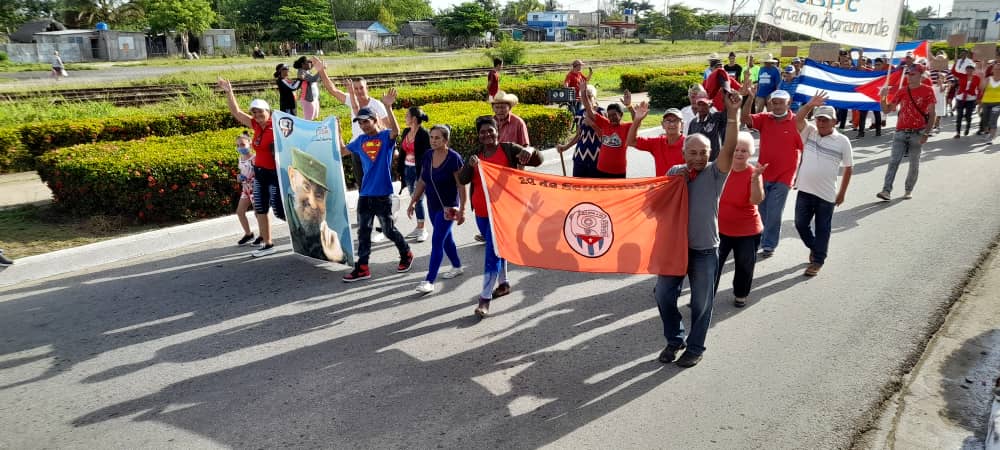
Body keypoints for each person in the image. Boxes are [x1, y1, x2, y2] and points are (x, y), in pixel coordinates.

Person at [655, 89, 741, 368]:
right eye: (692, 153)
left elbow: (728, 147)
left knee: (702, 303)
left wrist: (733, 114)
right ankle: (674, 338)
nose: (697, 158)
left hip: (705, 250)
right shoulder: (673, 174)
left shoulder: (716, 173)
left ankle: (695, 346)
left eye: (703, 153)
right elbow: (657, 206)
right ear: (683, 152)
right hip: (674, 250)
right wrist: (674, 180)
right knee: (664, 296)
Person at [459, 116, 543, 317]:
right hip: (481, 213)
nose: (487, 135)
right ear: (478, 135)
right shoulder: (476, 155)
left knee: (492, 254)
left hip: (503, 213)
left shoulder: (508, 149)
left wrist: (528, 150)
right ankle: (503, 284)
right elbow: (462, 179)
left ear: (498, 131)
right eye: (482, 132)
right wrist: (470, 166)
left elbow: (538, 159)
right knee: (499, 250)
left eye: (490, 130)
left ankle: (484, 298)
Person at [337, 90, 414, 282]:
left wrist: (388, 106)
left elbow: (396, 131)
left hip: (382, 194)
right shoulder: (360, 141)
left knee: (388, 230)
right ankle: (362, 267)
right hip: (365, 194)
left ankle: (406, 253)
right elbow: (342, 151)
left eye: (365, 121)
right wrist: (337, 132)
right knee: (363, 231)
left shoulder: (386, 138)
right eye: (360, 122)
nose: (363, 125)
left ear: (374, 120)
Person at [219, 79, 285, 257]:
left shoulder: (277, 126)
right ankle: (268, 243)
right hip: (259, 175)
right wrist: (229, 92)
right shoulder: (256, 126)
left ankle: (308, 228)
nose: (257, 115)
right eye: (254, 112)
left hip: (275, 175)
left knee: (280, 211)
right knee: (260, 209)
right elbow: (237, 112)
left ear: (268, 112)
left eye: (260, 111)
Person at [793, 94, 853, 277]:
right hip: (804, 190)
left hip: (826, 195)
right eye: (819, 119)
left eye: (825, 120)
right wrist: (810, 104)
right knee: (800, 224)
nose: (821, 123)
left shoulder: (843, 141)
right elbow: (798, 119)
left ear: (834, 121)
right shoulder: (809, 132)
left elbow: (849, 168)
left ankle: (817, 261)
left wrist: (842, 193)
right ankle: (816, 248)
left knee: (823, 228)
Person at [740, 88, 803, 259]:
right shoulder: (764, 119)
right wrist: (750, 98)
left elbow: (805, 150)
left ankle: (769, 244)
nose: (776, 106)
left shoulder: (796, 122)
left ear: (788, 104)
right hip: (763, 174)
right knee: (762, 211)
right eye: (774, 102)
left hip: (784, 176)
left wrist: (800, 174)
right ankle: (760, 237)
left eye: (780, 102)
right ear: (770, 103)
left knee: (775, 212)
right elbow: (744, 118)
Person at [407, 125, 466, 295]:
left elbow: (461, 185)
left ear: (446, 140)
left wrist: (462, 210)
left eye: (437, 138)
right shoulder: (427, 155)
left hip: (449, 207)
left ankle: (429, 280)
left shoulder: (454, 158)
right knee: (446, 239)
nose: (433, 141)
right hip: (432, 205)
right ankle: (457, 266)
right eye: (432, 137)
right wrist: (413, 201)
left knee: (437, 240)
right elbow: (423, 181)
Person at [715, 130, 765, 307]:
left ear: (750, 153)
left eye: (744, 150)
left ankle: (741, 294)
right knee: (712, 265)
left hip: (747, 230)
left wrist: (755, 179)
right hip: (720, 228)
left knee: (744, 264)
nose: (739, 153)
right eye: (736, 149)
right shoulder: (720, 170)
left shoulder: (754, 173)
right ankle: (705, 295)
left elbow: (756, 200)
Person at [877, 64, 936, 201]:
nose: (909, 76)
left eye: (913, 74)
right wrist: (882, 97)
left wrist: (926, 133)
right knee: (893, 162)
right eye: (908, 73)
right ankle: (886, 191)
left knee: (914, 163)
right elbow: (886, 110)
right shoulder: (902, 91)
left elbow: (932, 114)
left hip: (918, 132)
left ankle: (908, 190)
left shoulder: (928, 91)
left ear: (921, 76)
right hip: (901, 131)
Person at [284, 149, 345, 262]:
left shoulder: (320, 229)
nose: (313, 204)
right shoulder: (287, 212)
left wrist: (339, 257)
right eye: (306, 187)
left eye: (319, 194)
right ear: (292, 178)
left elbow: (337, 255)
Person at [580, 78, 632, 178]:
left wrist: (629, 106)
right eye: (609, 115)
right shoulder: (605, 123)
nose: (611, 117)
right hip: (602, 169)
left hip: (619, 172)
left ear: (621, 115)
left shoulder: (626, 127)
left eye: (614, 115)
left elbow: (636, 121)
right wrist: (583, 93)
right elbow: (589, 110)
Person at [397, 107, 431, 242]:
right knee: (413, 198)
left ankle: (423, 229)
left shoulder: (424, 134)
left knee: (418, 200)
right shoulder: (406, 131)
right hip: (407, 170)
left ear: (414, 119)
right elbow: (403, 151)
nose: (405, 118)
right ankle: (418, 226)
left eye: (407, 116)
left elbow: (428, 155)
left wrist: (424, 173)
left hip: (419, 172)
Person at [556, 84, 603, 178]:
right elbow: (578, 135)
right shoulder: (579, 114)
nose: (586, 99)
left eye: (589, 96)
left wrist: (592, 124)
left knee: (595, 186)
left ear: (595, 98)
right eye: (584, 96)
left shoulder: (602, 112)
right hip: (580, 155)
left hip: (598, 155)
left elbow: (604, 134)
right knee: (578, 185)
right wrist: (566, 147)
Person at [627, 104, 686, 176]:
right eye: (668, 121)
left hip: (682, 186)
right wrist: (637, 120)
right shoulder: (657, 142)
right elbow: (631, 141)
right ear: (663, 124)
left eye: (676, 121)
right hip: (662, 186)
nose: (672, 124)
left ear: (682, 125)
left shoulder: (689, 144)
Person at [688, 94, 728, 162]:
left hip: (714, 161)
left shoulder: (717, 118)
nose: (701, 108)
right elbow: (689, 142)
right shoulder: (693, 122)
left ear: (710, 105)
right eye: (699, 104)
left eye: (704, 104)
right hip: (697, 161)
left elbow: (728, 111)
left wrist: (725, 95)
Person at [234, 132, 257, 246]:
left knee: (259, 214)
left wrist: (249, 178)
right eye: (238, 145)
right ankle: (248, 234)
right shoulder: (240, 158)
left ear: (250, 144)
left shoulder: (255, 158)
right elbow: (243, 172)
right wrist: (240, 177)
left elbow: (260, 174)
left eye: (242, 144)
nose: (240, 148)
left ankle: (263, 236)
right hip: (246, 189)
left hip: (255, 189)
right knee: (240, 212)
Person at [951, 62, 981, 138]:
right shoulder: (962, 76)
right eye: (967, 70)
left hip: (971, 99)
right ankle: (958, 133)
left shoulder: (976, 78)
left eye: (970, 70)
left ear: (973, 70)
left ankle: (967, 127)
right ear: (965, 70)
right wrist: (955, 63)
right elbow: (953, 72)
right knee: (959, 115)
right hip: (961, 98)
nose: (969, 72)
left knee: (968, 115)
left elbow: (979, 89)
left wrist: (978, 98)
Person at [293, 56, 322, 120]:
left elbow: (311, 66)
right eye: (308, 62)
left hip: (314, 99)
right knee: (309, 120)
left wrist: (316, 62)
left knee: (315, 119)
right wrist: (320, 70)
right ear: (303, 64)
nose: (310, 63)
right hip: (308, 100)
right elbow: (313, 79)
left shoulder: (306, 70)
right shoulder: (301, 72)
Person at [981, 64, 1000, 144]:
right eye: (995, 69)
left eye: (999, 69)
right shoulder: (988, 79)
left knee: (993, 120)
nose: (997, 71)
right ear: (992, 70)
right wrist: (983, 80)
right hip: (986, 102)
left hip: (997, 103)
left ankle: (991, 137)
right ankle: (987, 133)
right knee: (985, 119)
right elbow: (981, 88)